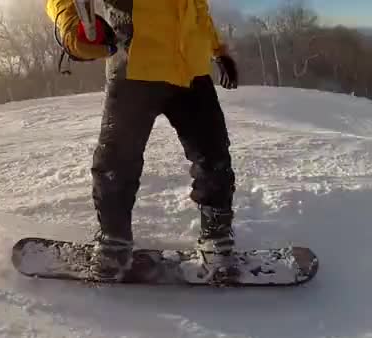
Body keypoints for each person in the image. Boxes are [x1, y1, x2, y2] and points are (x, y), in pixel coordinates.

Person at [46, 0, 239, 281]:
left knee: (214, 156)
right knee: (116, 162)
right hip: (135, 67)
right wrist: (69, 22)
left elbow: (198, 11)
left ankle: (216, 238)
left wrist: (218, 51)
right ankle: (113, 240)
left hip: (191, 72)